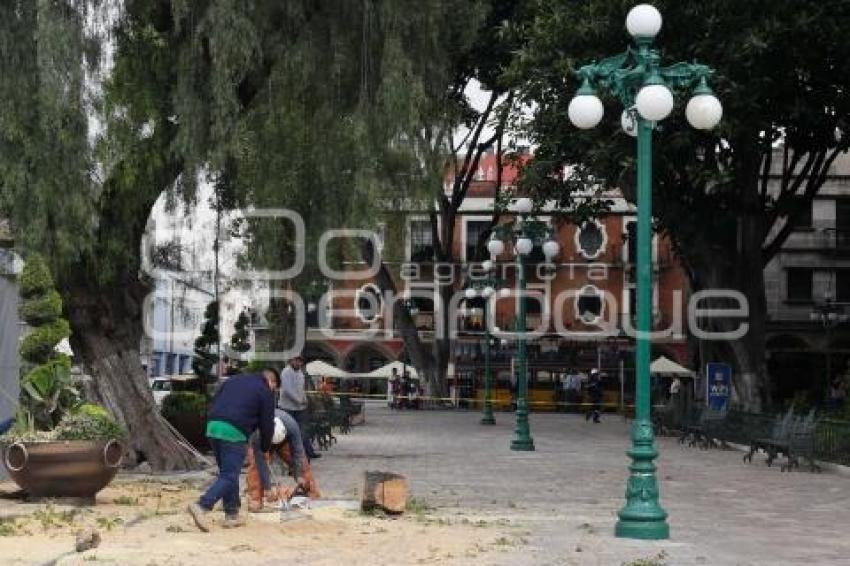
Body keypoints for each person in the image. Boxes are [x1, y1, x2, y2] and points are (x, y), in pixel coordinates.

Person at [188, 367, 278, 532]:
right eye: (275, 387)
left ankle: (232, 514)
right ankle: (202, 505)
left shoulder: (234, 380)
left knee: (228, 473)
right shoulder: (265, 391)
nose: (273, 390)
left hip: (213, 426)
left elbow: (215, 401)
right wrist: (265, 447)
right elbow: (267, 424)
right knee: (230, 476)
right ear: (271, 381)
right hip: (233, 431)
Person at [246, 409, 321, 512]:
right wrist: (267, 488)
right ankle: (255, 500)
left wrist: (298, 475)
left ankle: (313, 495)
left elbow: (298, 453)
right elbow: (261, 461)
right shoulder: (258, 431)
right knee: (255, 468)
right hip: (263, 442)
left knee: (303, 464)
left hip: (285, 441)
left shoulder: (292, 426)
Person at [279, 355, 320, 460]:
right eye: (297, 361)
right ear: (291, 361)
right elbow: (287, 390)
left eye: (300, 361)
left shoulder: (300, 373)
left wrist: (305, 399)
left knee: (303, 431)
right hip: (287, 407)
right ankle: (288, 455)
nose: (299, 363)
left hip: (299, 408)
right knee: (288, 432)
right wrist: (298, 400)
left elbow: (301, 389)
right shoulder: (286, 372)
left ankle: (308, 452)